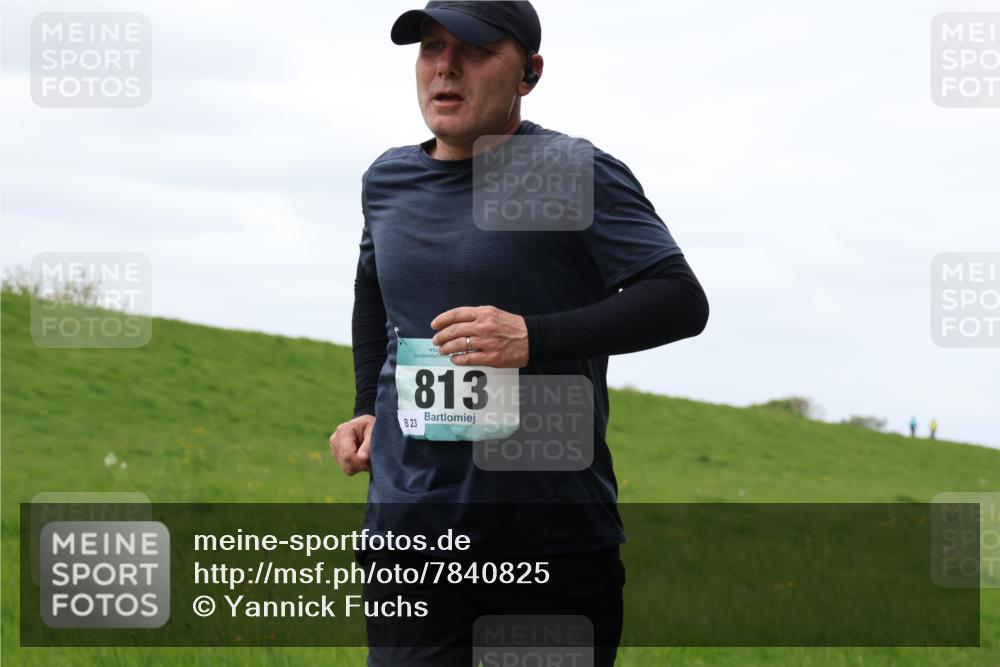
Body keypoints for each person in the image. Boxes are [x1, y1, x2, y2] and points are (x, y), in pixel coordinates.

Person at [328, 2, 709, 665]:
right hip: (410, 535)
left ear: (529, 72)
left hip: (547, 537)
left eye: (475, 51)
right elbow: (374, 292)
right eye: (432, 48)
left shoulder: (566, 169)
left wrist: (532, 337)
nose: (446, 67)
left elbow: (679, 299)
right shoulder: (387, 180)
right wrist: (367, 405)